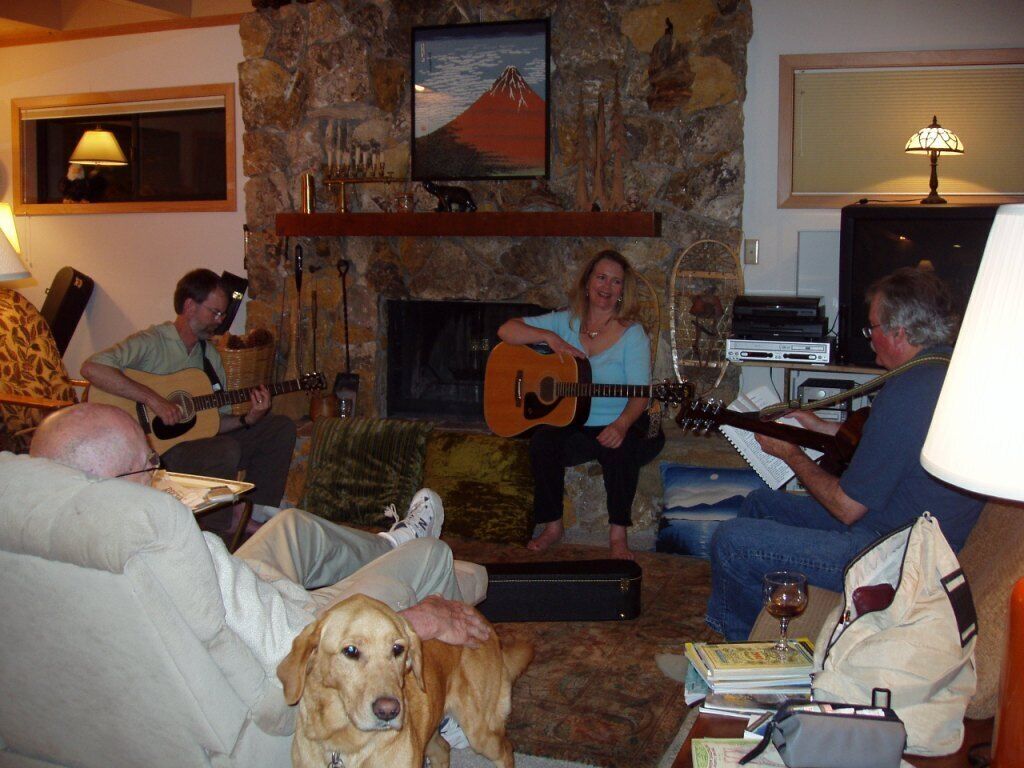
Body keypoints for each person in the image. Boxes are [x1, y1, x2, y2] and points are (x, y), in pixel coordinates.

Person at [28, 403, 490, 677]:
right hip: (298, 622)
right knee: (433, 555)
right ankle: (444, 698)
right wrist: (415, 623)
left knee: (292, 526)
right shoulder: (166, 553)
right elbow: (294, 652)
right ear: (111, 482)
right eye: (150, 462)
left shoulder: (39, 551)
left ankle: (388, 545)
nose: (159, 471)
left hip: (240, 590)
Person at [705, 267, 985, 640]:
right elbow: (894, 445)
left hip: (890, 559)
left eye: (873, 328)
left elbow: (845, 507)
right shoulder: (942, 372)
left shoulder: (909, 392)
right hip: (895, 532)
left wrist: (792, 454)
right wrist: (822, 427)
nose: (869, 339)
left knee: (732, 541)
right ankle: (769, 632)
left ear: (899, 333)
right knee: (760, 504)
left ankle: (738, 653)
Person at [81, 268, 296, 528]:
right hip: (154, 452)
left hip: (197, 443)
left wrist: (248, 418)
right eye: (214, 312)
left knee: (278, 428)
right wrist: (154, 400)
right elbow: (92, 368)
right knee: (224, 449)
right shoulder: (152, 342)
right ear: (190, 306)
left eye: (222, 314)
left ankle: (256, 514)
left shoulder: (210, 356)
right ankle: (219, 531)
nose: (220, 321)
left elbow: (214, 422)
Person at [497, 249, 660, 560]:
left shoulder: (633, 334)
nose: (607, 287)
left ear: (622, 291)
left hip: (616, 419)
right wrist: (550, 338)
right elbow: (506, 330)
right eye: (601, 277)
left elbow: (641, 394)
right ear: (587, 283)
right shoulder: (564, 321)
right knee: (543, 442)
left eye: (615, 282)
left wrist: (621, 424)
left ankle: (618, 535)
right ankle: (553, 526)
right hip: (572, 421)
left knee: (621, 448)